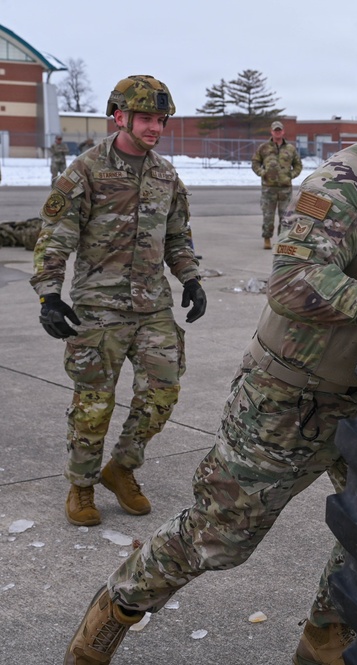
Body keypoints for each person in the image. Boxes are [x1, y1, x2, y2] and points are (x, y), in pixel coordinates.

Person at [63, 26, 357, 665]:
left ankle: (326, 638)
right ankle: (114, 609)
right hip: (289, 398)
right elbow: (290, 281)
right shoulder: (351, 178)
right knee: (218, 537)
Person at [30, 74, 206, 532]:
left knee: (163, 392)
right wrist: (50, 294)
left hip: (152, 305)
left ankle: (122, 468)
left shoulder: (166, 174)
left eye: (161, 120)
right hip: (100, 307)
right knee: (94, 402)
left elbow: (177, 236)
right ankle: (81, 485)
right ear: (119, 116)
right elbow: (55, 237)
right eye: (146, 118)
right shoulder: (86, 170)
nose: (155, 128)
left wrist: (190, 278)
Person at [252, 119, 303, 249]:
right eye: (275, 130)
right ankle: (267, 238)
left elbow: (298, 165)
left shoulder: (290, 149)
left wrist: (291, 175)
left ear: (283, 132)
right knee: (268, 215)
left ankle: (282, 240)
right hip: (268, 188)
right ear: (272, 132)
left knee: (285, 217)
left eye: (279, 130)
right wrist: (262, 172)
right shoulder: (264, 148)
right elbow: (255, 162)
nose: (277, 132)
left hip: (285, 189)